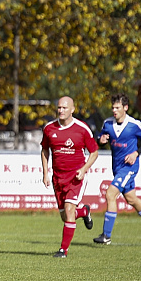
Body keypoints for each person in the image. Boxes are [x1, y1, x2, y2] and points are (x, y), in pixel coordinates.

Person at [93, 93, 141, 244]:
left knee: (110, 194)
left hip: (129, 167)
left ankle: (106, 236)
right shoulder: (107, 124)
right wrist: (101, 140)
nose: (114, 110)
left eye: (117, 107)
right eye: (113, 107)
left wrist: (136, 153)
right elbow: (100, 140)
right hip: (117, 167)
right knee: (131, 199)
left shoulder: (134, 124)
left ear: (125, 108)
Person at [41, 96, 99, 258]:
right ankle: (84, 211)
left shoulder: (82, 128)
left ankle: (63, 250)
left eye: (65, 108)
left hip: (76, 177)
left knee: (68, 209)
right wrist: (45, 172)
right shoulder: (49, 128)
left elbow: (94, 152)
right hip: (57, 178)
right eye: (59, 107)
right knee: (65, 216)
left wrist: (84, 168)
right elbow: (45, 150)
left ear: (72, 109)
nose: (61, 110)